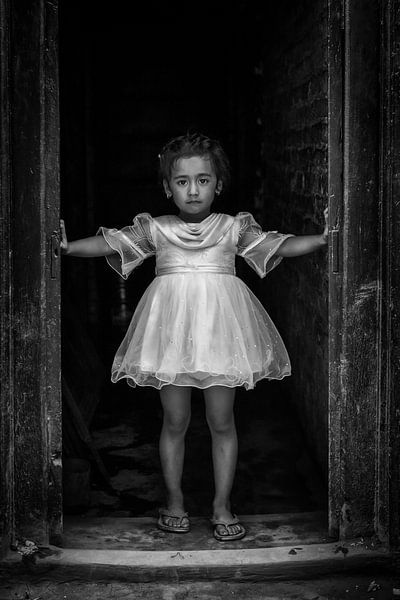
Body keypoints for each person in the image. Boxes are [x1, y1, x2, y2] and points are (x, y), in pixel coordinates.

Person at [60, 132, 328, 542]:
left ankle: (222, 506)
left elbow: (279, 245)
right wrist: (69, 248)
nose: (193, 189)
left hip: (221, 333)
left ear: (218, 184)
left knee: (221, 420)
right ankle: (174, 501)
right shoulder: (157, 229)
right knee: (176, 419)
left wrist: (322, 240)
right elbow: (111, 241)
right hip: (171, 333)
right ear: (168, 188)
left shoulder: (232, 227)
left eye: (203, 180)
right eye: (182, 181)